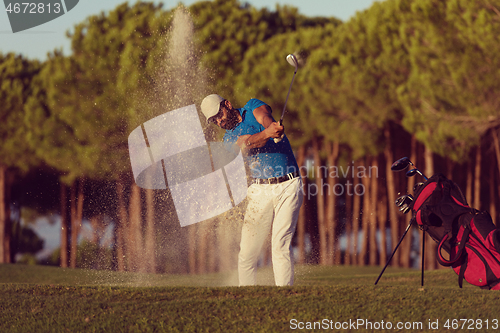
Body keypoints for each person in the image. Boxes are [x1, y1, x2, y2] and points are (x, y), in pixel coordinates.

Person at [200, 94, 304, 286]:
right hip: (260, 190)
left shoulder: (252, 106)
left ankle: (285, 297)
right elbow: (247, 144)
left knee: (280, 245)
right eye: (214, 121)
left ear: (227, 105)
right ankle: (246, 298)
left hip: (289, 185)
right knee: (247, 253)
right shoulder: (228, 139)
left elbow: (264, 116)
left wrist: (271, 126)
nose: (219, 121)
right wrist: (267, 134)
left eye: (219, 115)